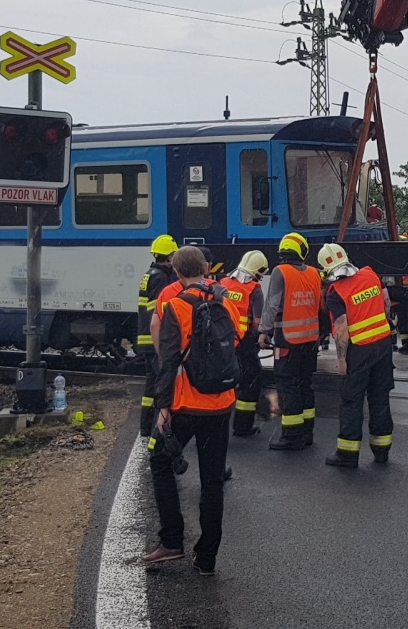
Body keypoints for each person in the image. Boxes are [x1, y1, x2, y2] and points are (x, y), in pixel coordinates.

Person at [142, 246, 238, 574]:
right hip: (221, 404)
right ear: (206, 269)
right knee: (213, 481)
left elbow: (168, 361)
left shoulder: (176, 305)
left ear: (177, 272)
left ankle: (171, 541)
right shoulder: (225, 301)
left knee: (159, 462)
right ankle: (206, 558)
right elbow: (235, 341)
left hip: (185, 404)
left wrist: (163, 408)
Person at [317, 244, 395, 467]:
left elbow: (342, 329)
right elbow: (386, 305)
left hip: (359, 351)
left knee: (351, 400)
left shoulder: (336, 292)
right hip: (383, 345)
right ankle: (381, 451)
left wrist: (341, 360)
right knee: (380, 397)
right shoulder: (370, 275)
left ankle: (347, 454)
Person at [261, 232, 324, 450]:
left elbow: (271, 306)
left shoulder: (281, 272)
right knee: (305, 384)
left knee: (288, 386)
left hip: (287, 341)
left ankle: (291, 436)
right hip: (311, 341)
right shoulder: (314, 273)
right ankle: (307, 432)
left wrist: (263, 331)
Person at [221, 251, 268, 437]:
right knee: (250, 381)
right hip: (244, 342)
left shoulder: (224, 283)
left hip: (223, 341)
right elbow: (257, 322)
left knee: (224, 382)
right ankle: (242, 425)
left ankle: (219, 421)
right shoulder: (254, 288)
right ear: (257, 271)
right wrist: (261, 335)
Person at [137, 235, 179, 437]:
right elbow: (162, 311)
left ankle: (146, 427)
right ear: (169, 256)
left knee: (151, 385)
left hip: (146, 337)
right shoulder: (161, 278)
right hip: (155, 339)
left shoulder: (150, 274)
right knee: (161, 383)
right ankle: (157, 429)